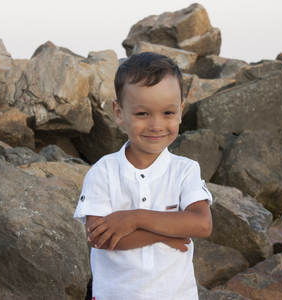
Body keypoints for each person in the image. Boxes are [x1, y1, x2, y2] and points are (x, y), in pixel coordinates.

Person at [74, 52, 213, 299]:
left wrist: (135, 218)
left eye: (168, 113)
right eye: (142, 114)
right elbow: (100, 239)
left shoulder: (185, 170)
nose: (156, 125)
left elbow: (202, 224)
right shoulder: (103, 171)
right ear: (118, 112)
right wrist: (166, 232)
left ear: (181, 111)